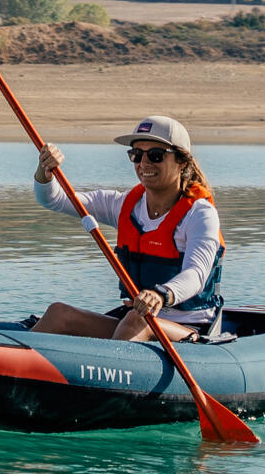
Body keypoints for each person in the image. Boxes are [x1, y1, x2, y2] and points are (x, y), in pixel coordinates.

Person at [27, 113, 224, 342]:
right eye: (136, 155)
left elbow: (196, 274)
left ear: (182, 161)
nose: (144, 164)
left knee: (135, 320)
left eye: (156, 156)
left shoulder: (200, 214)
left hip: (189, 328)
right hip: (137, 318)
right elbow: (55, 200)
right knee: (58, 313)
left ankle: (99, 372)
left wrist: (161, 294)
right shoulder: (123, 205)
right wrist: (45, 172)